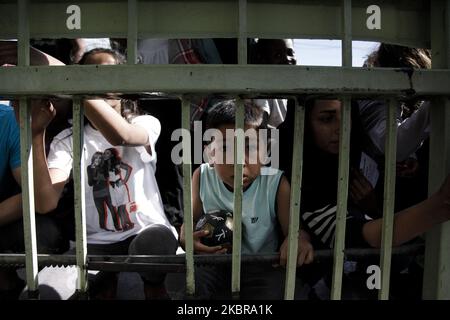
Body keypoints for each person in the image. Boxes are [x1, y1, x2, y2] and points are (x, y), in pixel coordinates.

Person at [30, 48, 178, 300]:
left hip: (143, 233)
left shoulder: (145, 123)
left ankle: (153, 283)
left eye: (109, 74)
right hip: (96, 242)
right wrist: (35, 132)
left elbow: (121, 135)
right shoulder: (69, 139)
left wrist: (69, 77)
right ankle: (104, 281)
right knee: (64, 291)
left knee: (154, 242)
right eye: (93, 75)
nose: (102, 83)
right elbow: (45, 202)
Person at [179, 99, 314, 299]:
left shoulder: (276, 184)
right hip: (215, 264)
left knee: (279, 289)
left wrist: (299, 239)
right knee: (194, 285)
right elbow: (189, 226)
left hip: (263, 266)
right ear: (210, 152)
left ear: (266, 151)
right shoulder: (202, 176)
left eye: (249, 148)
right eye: (226, 148)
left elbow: (294, 232)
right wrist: (186, 237)